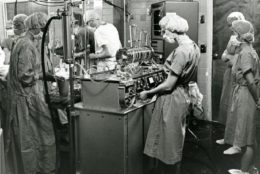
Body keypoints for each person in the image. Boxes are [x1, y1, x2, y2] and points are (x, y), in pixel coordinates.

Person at [139, 13, 200, 174]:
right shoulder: (193, 46)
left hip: (172, 98)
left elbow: (168, 85)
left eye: (165, 31)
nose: (164, 35)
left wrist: (148, 92)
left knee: (168, 142)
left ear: (173, 31)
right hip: (183, 95)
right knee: (174, 139)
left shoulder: (181, 51)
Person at [6, 12, 56, 174]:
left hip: (24, 97)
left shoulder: (20, 42)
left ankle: (35, 169)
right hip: (28, 98)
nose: (43, 31)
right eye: (42, 27)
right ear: (35, 27)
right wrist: (43, 75)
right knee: (40, 136)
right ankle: (43, 169)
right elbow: (25, 76)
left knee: (28, 137)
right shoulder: (27, 44)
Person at [226, 20, 260, 174]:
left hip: (247, 95)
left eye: (234, 33)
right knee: (250, 135)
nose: (233, 36)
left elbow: (251, 82)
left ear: (240, 36)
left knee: (247, 139)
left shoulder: (246, 53)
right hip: (245, 93)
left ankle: (245, 171)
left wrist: (258, 100)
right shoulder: (249, 51)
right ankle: (252, 168)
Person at [216, 12, 245, 155]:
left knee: (236, 108)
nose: (230, 28)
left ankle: (237, 143)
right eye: (229, 25)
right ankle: (228, 138)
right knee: (227, 105)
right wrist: (227, 56)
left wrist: (228, 57)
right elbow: (224, 56)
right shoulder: (233, 37)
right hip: (230, 75)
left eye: (231, 24)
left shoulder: (244, 38)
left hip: (238, 75)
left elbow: (235, 60)